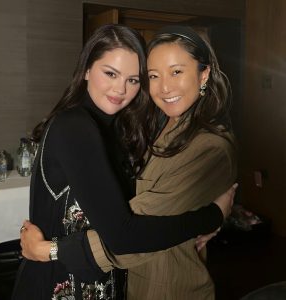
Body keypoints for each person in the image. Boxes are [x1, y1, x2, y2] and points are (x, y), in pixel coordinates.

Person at [14, 24, 236, 300]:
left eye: (133, 80)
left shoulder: (121, 129)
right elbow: (123, 235)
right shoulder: (75, 127)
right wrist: (213, 214)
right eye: (110, 73)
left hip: (107, 282)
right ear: (86, 70)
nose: (120, 89)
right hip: (61, 285)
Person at [81, 25, 238, 300]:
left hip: (171, 287)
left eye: (176, 71)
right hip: (139, 281)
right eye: (154, 76)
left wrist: (55, 251)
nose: (164, 87)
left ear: (204, 74)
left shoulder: (210, 146)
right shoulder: (161, 125)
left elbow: (135, 226)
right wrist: (212, 216)